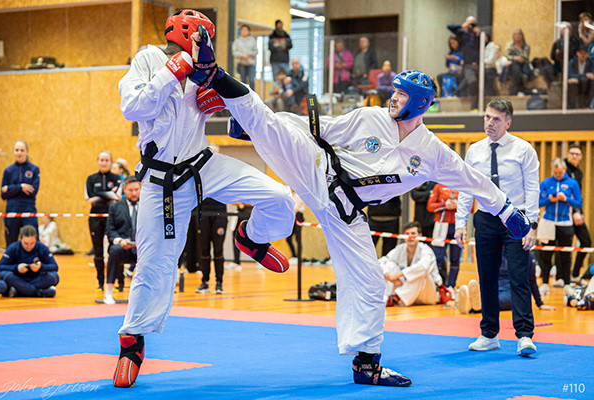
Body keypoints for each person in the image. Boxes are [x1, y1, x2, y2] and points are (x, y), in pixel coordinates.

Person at [192, 28, 531, 386]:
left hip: (347, 213)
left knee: (370, 282)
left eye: (401, 94)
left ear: (419, 104)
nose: (393, 98)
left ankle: (367, 365)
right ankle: (213, 74)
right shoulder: (371, 118)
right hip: (319, 172)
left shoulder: (433, 153)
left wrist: (507, 211)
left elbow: (473, 180)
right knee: (273, 126)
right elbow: (322, 129)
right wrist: (258, 129)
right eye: (394, 92)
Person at [113, 10, 294, 388]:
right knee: (154, 265)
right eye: (202, 41)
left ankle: (252, 237)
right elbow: (133, 107)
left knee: (280, 197)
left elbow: (239, 107)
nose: (204, 49)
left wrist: (220, 96)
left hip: (203, 164)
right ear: (189, 35)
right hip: (161, 180)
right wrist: (172, 71)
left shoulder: (203, 72)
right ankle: (132, 342)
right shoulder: (148, 59)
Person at [454, 98, 540, 356]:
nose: (490, 123)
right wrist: (461, 222)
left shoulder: (524, 149)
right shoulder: (474, 150)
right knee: (487, 277)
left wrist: (532, 224)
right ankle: (489, 334)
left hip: (516, 218)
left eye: (496, 119)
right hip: (485, 218)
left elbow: (532, 187)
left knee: (519, 277)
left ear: (508, 122)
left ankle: (524, 335)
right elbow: (466, 187)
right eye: (487, 117)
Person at [458, 253, 556, 313]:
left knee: (501, 299)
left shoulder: (527, 255)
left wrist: (540, 303)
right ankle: (475, 302)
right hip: (495, 286)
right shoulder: (496, 252)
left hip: (510, 290)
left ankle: (473, 303)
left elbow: (532, 280)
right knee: (491, 295)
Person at [538, 158, 582, 292]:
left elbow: (579, 203)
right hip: (548, 222)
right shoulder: (546, 182)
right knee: (546, 254)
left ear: (565, 169)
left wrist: (566, 199)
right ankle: (545, 283)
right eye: (555, 172)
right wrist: (549, 199)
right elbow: (538, 202)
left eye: (560, 172)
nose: (557, 175)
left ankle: (567, 284)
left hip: (565, 222)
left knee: (566, 255)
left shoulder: (572, 183)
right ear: (552, 170)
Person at [380, 222, 446, 307]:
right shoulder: (400, 248)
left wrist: (397, 275)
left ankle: (395, 298)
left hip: (427, 294)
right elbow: (382, 261)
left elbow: (423, 267)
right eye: (407, 234)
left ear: (420, 236)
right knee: (389, 265)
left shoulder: (426, 250)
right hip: (409, 293)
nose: (410, 236)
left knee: (421, 273)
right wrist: (388, 275)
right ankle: (387, 298)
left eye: (413, 233)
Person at [85, 150, 122, 291]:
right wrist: (109, 194)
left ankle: (118, 282)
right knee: (98, 251)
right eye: (101, 160)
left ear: (111, 162)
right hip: (95, 218)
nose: (104, 163)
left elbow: (117, 196)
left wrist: (99, 195)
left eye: (107, 160)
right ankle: (100, 283)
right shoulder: (91, 179)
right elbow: (89, 198)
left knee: (115, 249)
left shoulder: (117, 178)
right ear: (98, 161)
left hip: (113, 217)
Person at [104, 175, 141, 304]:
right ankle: (108, 292)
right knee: (114, 251)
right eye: (131, 190)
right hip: (123, 246)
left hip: (142, 247)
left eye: (136, 190)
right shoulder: (115, 207)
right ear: (124, 190)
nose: (134, 193)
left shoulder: (148, 207)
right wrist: (120, 241)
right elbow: (110, 229)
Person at [0, 225, 59, 298]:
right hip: (17, 278)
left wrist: (40, 267)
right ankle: (39, 293)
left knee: (54, 276)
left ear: (36, 239)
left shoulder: (42, 247)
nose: (29, 246)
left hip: (36, 279)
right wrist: (17, 268)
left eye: (32, 243)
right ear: (20, 239)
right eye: (26, 243)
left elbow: (54, 266)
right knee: (2, 275)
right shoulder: (13, 247)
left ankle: (19, 291)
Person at [0, 140, 40, 247]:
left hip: (28, 209)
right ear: (13, 152)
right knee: (11, 243)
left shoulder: (34, 169)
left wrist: (10, 189)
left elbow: (33, 191)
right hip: (12, 210)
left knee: (32, 242)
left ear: (27, 152)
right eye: (17, 150)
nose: (19, 153)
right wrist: (20, 187)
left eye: (22, 150)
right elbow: (3, 195)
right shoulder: (8, 171)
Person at [565, 144, 592, 282]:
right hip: (564, 213)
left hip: (576, 212)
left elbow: (577, 195)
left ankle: (575, 274)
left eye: (577, 154)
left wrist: (579, 212)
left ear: (581, 157)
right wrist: (575, 211)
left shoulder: (579, 172)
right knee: (563, 245)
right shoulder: (563, 169)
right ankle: (561, 277)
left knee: (586, 242)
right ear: (567, 154)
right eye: (572, 153)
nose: (574, 156)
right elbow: (565, 192)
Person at [427, 184, 462, 288]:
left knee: (455, 259)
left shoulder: (462, 185)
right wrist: (444, 205)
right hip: (441, 225)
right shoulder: (438, 186)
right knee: (437, 258)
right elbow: (430, 206)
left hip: (458, 226)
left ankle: (451, 287)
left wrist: (459, 204)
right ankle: (436, 286)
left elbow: (472, 208)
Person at [195, 196, 228, 294]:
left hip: (219, 212)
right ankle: (204, 281)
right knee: (204, 249)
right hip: (203, 211)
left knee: (218, 249)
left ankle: (219, 283)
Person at [448, 16, 480, 110]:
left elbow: (486, 42)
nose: (471, 26)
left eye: (473, 24)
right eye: (470, 24)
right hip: (467, 65)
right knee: (472, 82)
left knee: (479, 86)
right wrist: (462, 26)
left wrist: (479, 34)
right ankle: (473, 107)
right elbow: (449, 27)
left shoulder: (479, 34)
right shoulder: (463, 34)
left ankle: (477, 106)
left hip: (479, 65)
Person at [505, 29, 534, 95]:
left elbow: (526, 56)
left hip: (524, 63)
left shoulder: (526, 46)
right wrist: (516, 58)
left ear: (522, 36)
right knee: (516, 70)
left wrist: (520, 58)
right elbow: (508, 56)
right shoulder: (509, 46)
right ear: (513, 36)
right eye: (515, 34)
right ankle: (516, 91)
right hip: (513, 63)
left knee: (527, 72)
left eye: (519, 34)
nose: (517, 35)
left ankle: (523, 90)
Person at [232, 24, 258, 90]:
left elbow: (256, 51)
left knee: (251, 80)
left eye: (246, 30)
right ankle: (244, 95)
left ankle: (252, 95)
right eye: (243, 30)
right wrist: (242, 55)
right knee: (243, 81)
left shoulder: (252, 40)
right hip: (241, 63)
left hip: (251, 64)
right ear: (240, 31)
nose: (244, 31)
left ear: (248, 31)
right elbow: (234, 52)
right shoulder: (237, 41)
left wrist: (249, 54)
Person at [286, 192, 305, 262]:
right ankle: (294, 256)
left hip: (298, 215)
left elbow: (296, 207)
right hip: (293, 215)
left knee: (298, 238)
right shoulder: (292, 194)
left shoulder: (299, 194)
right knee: (288, 238)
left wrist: (291, 214)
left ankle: (299, 258)